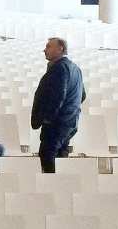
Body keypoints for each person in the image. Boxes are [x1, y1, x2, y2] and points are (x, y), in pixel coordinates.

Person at [32, 37, 86, 173]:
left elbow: (58, 97)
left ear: (60, 48)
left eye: (48, 46)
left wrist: (48, 119)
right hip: (69, 123)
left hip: (56, 125)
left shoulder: (60, 68)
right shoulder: (75, 68)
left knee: (47, 156)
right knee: (61, 159)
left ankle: (52, 188)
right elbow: (82, 95)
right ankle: (60, 189)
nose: (45, 50)